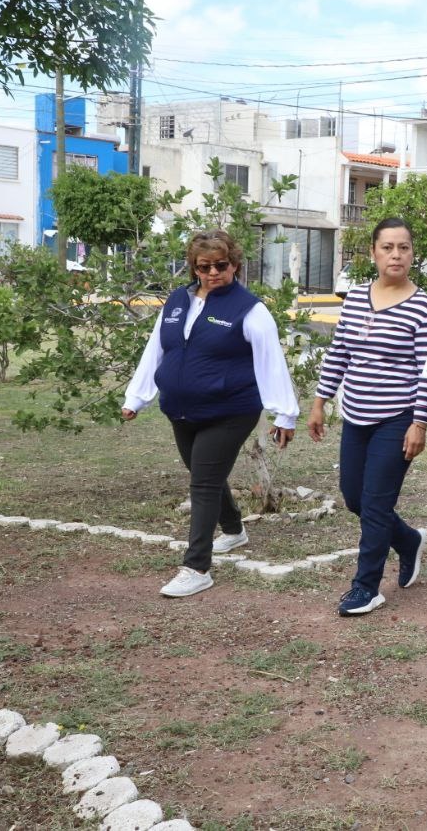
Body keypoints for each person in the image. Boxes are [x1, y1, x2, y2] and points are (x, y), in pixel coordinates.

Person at [122, 229, 299, 598]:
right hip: (181, 410)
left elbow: (271, 363)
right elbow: (157, 349)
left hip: (230, 410)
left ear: (234, 264)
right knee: (206, 474)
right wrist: (137, 397)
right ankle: (234, 531)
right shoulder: (176, 302)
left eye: (221, 265)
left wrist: (285, 415)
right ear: (194, 267)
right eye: (205, 267)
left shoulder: (250, 309)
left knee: (202, 482)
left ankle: (196, 567)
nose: (214, 272)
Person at [307, 218, 427, 616]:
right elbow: (339, 353)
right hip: (356, 415)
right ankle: (408, 541)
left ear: (412, 254)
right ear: (373, 253)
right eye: (387, 247)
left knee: (376, 504)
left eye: (403, 247)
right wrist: (320, 400)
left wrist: (419, 423)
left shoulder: (423, 307)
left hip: (397, 419)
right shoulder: (354, 297)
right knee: (355, 497)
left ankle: (366, 587)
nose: (396, 254)